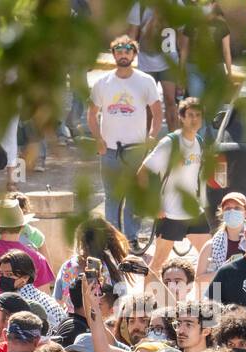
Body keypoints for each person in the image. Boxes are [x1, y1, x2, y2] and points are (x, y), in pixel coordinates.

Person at [86, 36, 163, 245]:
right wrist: (98, 139)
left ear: (134, 54)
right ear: (113, 54)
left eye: (127, 51)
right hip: (110, 150)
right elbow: (92, 114)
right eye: (119, 51)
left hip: (136, 150)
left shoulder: (145, 81)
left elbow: (157, 112)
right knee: (112, 197)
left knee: (133, 197)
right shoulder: (102, 83)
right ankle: (113, 240)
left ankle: (130, 237)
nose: (123, 54)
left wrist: (152, 137)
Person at [137, 98, 209, 273]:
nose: (194, 119)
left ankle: (208, 299)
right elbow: (141, 174)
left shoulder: (199, 141)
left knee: (211, 260)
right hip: (170, 213)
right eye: (190, 115)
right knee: (158, 264)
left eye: (198, 115)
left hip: (194, 212)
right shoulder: (170, 143)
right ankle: (148, 300)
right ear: (181, 117)